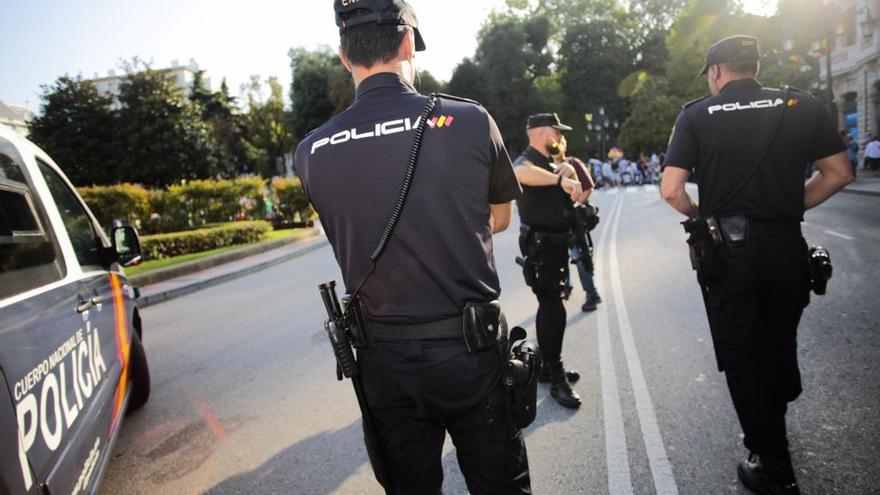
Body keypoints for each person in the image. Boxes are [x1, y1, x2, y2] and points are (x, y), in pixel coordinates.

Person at [294, 2, 531, 493]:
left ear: (343, 55)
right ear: (407, 43)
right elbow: (501, 219)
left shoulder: (311, 151)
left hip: (383, 363)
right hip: (470, 354)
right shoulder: (468, 120)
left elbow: (346, 227)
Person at [661, 35, 853, 495]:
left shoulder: (696, 115)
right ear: (755, 65)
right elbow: (840, 172)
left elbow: (671, 190)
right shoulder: (799, 104)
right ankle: (775, 413)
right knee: (779, 338)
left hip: (731, 254)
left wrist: (700, 216)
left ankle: (773, 466)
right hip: (787, 245)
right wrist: (789, 207)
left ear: (715, 73)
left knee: (745, 356)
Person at [514, 113, 592, 409]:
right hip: (541, 250)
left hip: (555, 248)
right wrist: (559, 177)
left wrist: (566, 172)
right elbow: (519, 172)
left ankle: (547, 367)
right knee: (553, 309)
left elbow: (577, 195)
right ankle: (555, 375)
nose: (560, 138)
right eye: (557, 133)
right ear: (544, 132)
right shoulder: (528, 160)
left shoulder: (551, 162)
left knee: (548, 307)